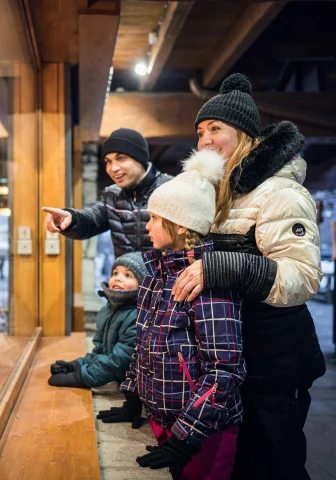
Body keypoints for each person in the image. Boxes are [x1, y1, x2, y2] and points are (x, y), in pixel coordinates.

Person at [172, 73, 326, 480]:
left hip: (276, 361)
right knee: (243, 466)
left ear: (245, 135)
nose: (204, 140)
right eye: (200, 131)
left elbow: (303, 277)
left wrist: (224, 267)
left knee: (277, 464)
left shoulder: (279, 193)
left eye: (215, 129)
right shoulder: (223, 194)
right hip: (240, 359)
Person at [112, 151, 245, 480]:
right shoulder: (156, 274)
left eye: (155, 218)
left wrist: (187, 437)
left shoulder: (206, 283)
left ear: (182, 225)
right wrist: (133, 393)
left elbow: (224, 370)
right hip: (163, 418)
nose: (147, 226)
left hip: (203, 431)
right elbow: (143, 344)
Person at [42, 128, 172, 257]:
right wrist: (71, 218)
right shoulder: (112, 195)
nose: (113, 168)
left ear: (140, 159)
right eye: (108, 161)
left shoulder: (173, 188)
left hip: (169, 277)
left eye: (121, 158)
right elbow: (92, 219)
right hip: (126, 276)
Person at [47, 252, 145, 389]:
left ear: (142, 285)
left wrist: (80, 377)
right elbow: (101, 351)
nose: (118, 278)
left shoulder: (138, 317)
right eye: (115, 273)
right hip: (119, 382)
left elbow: (118, 362)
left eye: (127, 275)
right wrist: (76, 365)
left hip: (135, 390)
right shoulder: (111, 309)